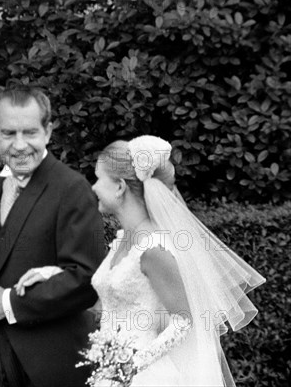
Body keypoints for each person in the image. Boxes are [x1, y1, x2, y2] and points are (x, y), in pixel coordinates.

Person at [15, 135, 265, 386]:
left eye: (99, 178)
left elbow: (185, 320)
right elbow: (106, 300)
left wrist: (131, 366)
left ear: (120, 187)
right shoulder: (123, 240)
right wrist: (53, 275)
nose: (93, 188)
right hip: (111, 372)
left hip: (144, 376)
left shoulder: (154, 250)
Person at [0, 86, 105, 387]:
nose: (19, 146)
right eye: (9, 133)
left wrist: (10, 304)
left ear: (48, 131)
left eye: (30, 132)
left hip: (52, 366)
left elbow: (88, 279)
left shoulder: (72, 188)